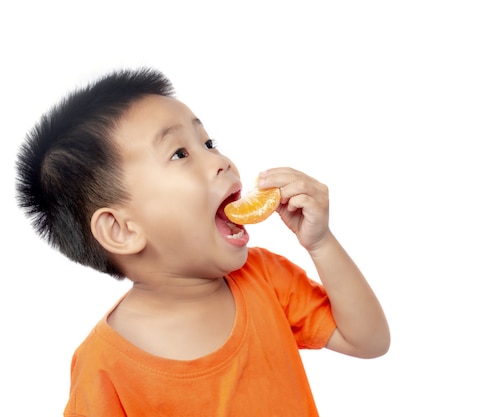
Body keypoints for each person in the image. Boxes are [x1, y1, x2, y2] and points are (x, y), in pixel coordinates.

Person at [15, 67, 390, 417]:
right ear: (122, 229)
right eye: (180, 153)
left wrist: (320, 243)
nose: (222, 161)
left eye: (209, 143)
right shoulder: (104, 366)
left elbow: (368, 341)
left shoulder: (264, 278)